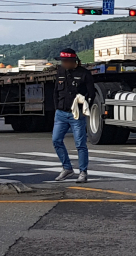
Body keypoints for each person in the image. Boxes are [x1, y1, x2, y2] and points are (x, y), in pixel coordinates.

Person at [52, 48, 94, 183]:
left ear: (72, 61)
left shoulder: (84, 74)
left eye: (65, 61)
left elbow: (91, 94)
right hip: (61, 113)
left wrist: (84, 107)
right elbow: (55, 93)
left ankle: (83, 172)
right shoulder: (60, 72)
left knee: (80, 144)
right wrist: (56, 108)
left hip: (76, 114)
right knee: (56, 140)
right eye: (61, 61)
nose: (63, 64)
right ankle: (66, 167)